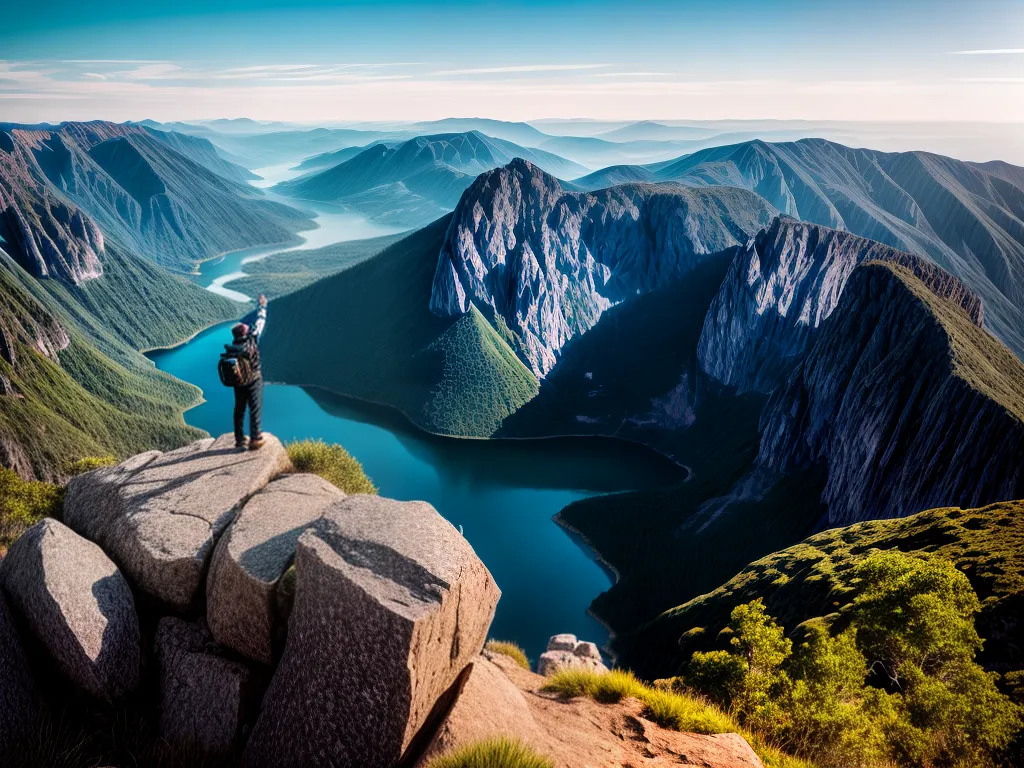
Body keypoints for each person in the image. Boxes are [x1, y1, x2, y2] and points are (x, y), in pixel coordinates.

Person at [227, 294, 268, 450]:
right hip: (254, 379)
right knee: (255, 407)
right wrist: (262, 306)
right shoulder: (252, 340)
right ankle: (255, 438)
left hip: (239, 382)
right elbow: (260, 322)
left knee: (239, 409)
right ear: (245, 333)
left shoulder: (232, 347)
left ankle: (239, 440)